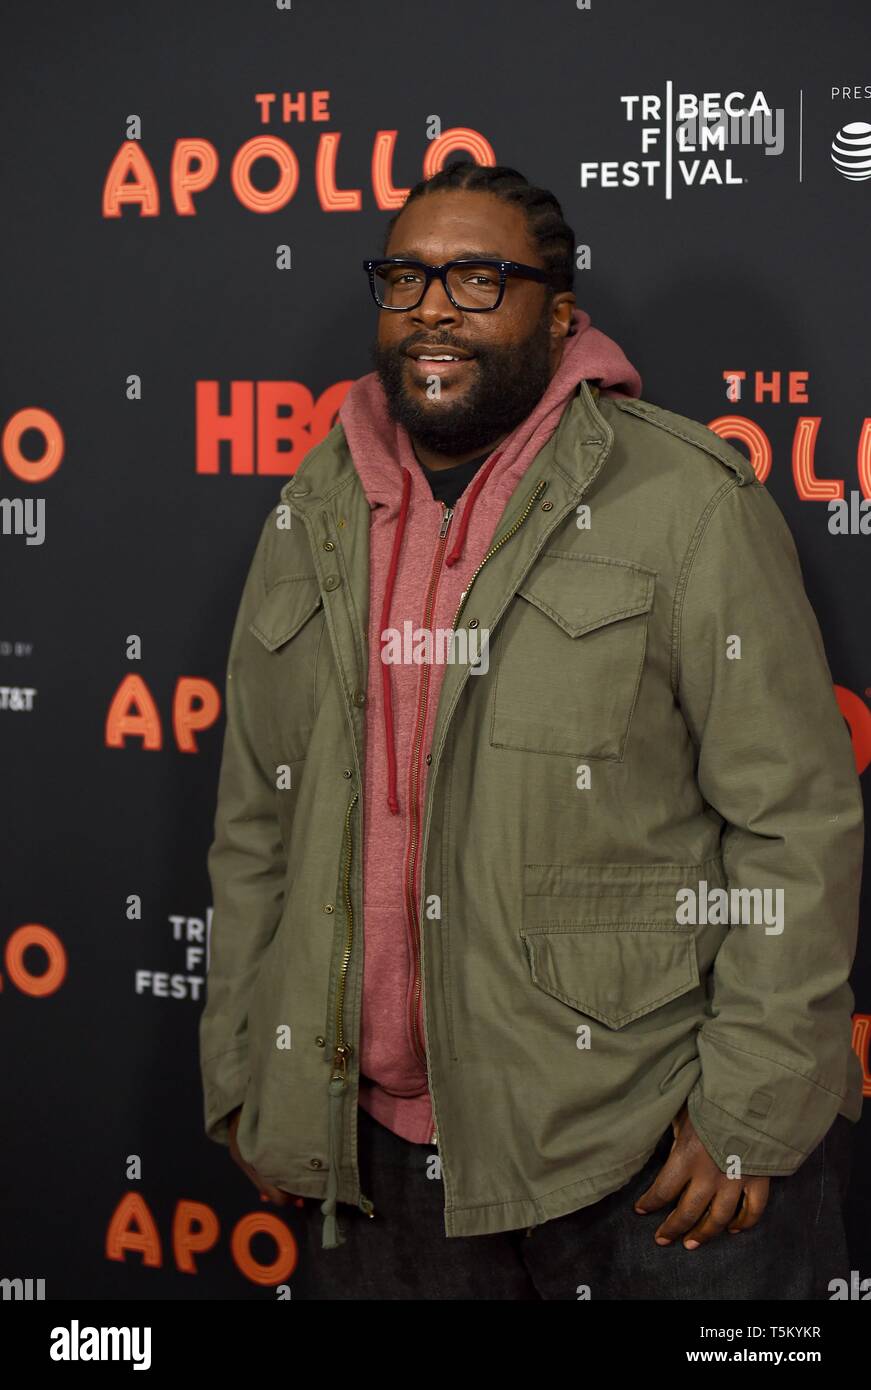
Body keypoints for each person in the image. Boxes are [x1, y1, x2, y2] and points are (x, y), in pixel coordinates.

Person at [199, 159, 864, 1300]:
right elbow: (261, 818)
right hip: (375, 1164)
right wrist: (250, 1077)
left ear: (559, 316)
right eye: (405, 277)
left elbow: (792, 822)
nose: (432, 308)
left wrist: (751, 1103)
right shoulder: (308, 511)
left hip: (643, 1151)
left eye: (477, 277)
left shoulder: (685, 501)